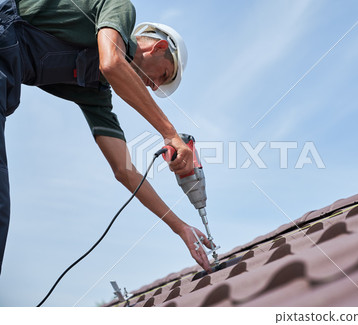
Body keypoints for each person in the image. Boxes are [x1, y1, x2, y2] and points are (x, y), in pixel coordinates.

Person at [0, 0, 213, 275]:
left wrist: (180, 227)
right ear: (159, 48)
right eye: (163, 75)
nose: (155, 85)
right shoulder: (119, 7)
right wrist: (170, 133)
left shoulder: (96, 90)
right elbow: (112, 62)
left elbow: (125, 171)